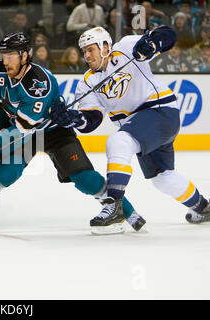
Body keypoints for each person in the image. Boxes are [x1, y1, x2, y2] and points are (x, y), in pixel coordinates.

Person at [0, 32, 146, 234]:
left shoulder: (39, 85)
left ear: (25, 55)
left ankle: (127, 212)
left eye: (11, 56)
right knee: (6, 173)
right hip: (23, 131)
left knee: (84, 177)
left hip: (54, 130)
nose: (6, 61)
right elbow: (1, 109)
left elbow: (21, 129)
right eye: (3, 55)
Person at [50, 26, 210, 232]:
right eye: (84, 51)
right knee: (162, 178)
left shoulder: (125, 47)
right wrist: (72, 119)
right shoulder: (87, 82)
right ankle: (202, 207)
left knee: (119, 141)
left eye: (91, 49)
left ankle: (114, 206)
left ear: (105, 46)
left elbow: (168, 35)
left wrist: (152, 44)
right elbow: (92, 121)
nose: (87, 55)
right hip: (141, 128)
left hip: (160, 111)